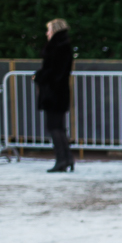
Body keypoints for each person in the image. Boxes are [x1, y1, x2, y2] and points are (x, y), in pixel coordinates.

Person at [34, 19, 73, 173]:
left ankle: (62, 160)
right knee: (59, 128)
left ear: (55, 30)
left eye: (49, 30)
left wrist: (39, 76)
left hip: (54, 94)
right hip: (59, 93)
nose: (47, 33)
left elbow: (54, 72)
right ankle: (66, 159)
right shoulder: (63, 47)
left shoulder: (57, 48)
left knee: (54, 127)